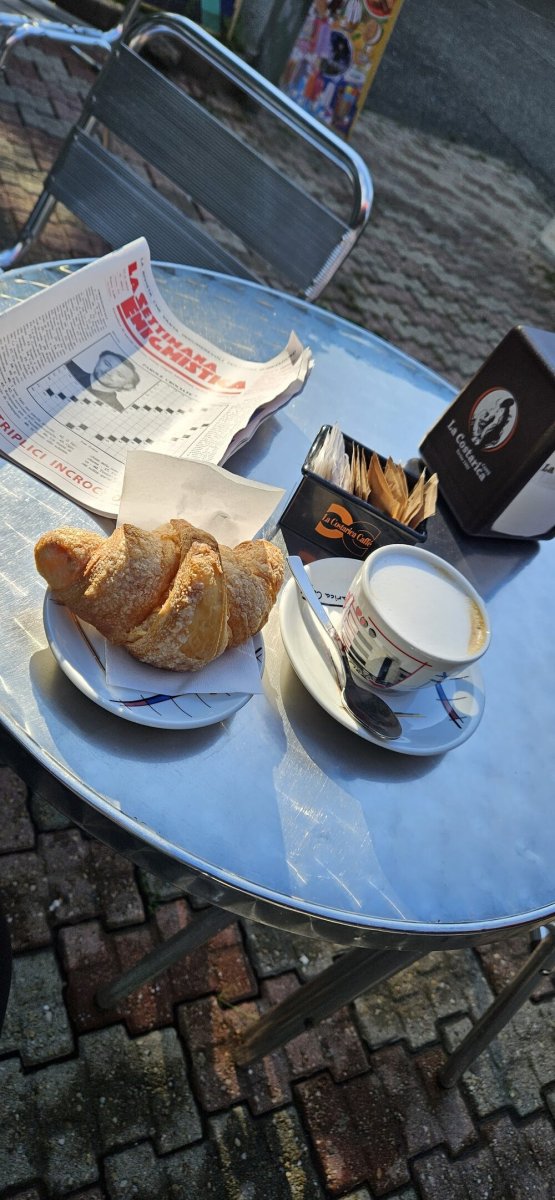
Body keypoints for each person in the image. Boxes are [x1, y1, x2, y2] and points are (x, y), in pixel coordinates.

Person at [65, 350, 140, 414]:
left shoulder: (118, 411)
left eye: (119, 374)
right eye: (107, 364)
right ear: (99, 360)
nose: (109, 371)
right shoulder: (67, 366)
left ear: (127, 385)